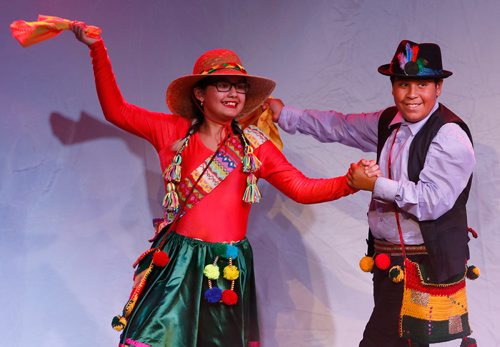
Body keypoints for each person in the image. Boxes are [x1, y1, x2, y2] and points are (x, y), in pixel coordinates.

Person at [69, 23, 379, 347]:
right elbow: (116, 110)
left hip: (226, 266)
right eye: (223, 85)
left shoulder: (255, 146)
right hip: (176, 262)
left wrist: (349, 182)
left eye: (239, 87)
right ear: (200, 94)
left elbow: (301, 188)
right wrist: (97, 49)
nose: (233, 94)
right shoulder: (171, 131)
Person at [268, 40, 476, 347]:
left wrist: (375, 184)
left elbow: (432, 202)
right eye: (403, 84)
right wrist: (284, 115)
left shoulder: (449, 135)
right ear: (393, 87)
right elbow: (339, 126)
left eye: (422, 84)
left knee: (382, 341)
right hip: (388, 260)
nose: (412, 95)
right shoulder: (388, 122)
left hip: (422, 264)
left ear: (438, 87)